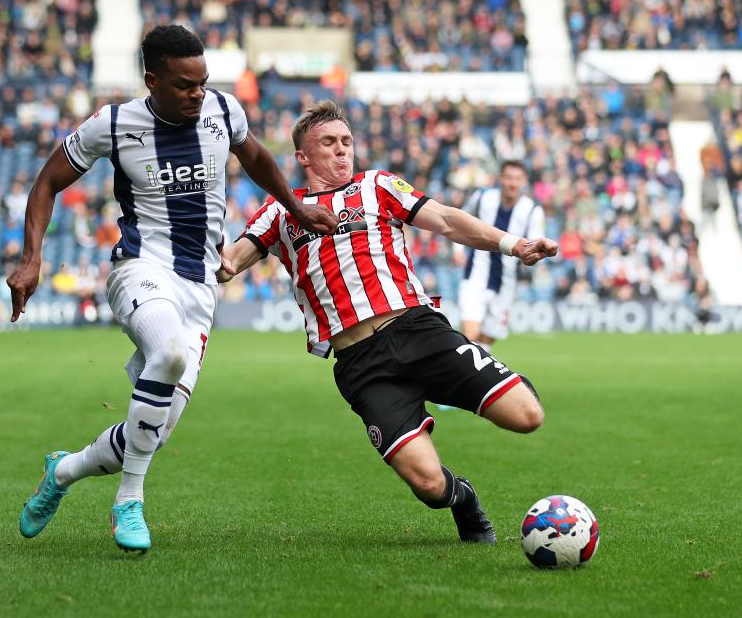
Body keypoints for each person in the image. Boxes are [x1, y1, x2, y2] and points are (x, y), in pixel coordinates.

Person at [7, 25, 336, 553]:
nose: (197, 94)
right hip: (140, 268)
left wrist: (295, 207)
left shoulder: (223, 112)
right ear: (151, 80)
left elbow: (254, 157)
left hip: (199, 284)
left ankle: (62, 472)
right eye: (185, 85)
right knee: (169, 352)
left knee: (150, 430)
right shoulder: (112, 124)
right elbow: (47, 181)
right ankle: (128, 502)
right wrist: (31, 258)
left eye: (202, 82)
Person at [218, 101, 557, 544]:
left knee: (528, 415)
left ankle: (495, 378)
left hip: (418, 331)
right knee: (430, 486)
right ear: (302, 156)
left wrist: (514, 245)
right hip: (361, 364)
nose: (342, 151)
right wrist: (208, 256)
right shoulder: (282, 210)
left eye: (346, 142)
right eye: (328, 143)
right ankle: (465, 501)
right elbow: (231, 263)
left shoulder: (377, 185)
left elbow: (449, 221)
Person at [456, 160, 546, 349]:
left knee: (487, 338)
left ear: (524, 181)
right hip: (475, 276)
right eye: (509, 178)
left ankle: (477, 373)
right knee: (470, 335)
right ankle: (469, 375)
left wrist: (537, 254)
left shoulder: (532, 210)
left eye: (517, 178)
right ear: (500, 179)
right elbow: (460, 218)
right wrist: (457, 250)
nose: (512, 183)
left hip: (506, 282)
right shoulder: (483, 197)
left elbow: (536, 241)